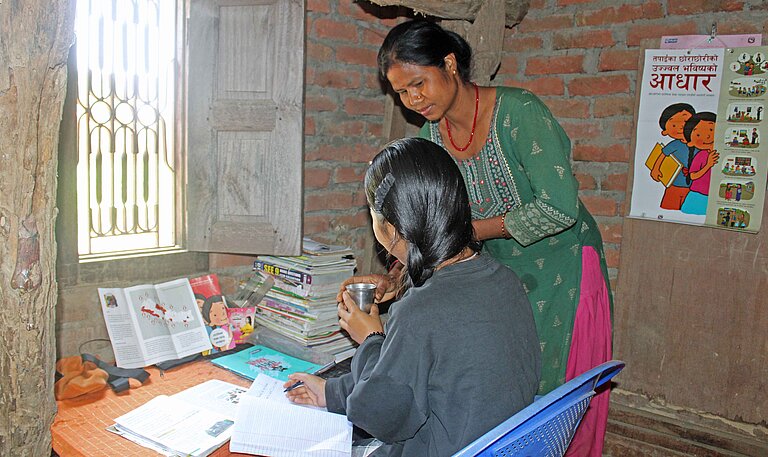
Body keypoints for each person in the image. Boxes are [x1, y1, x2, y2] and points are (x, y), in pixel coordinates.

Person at [375, 20, 613, 457]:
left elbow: (558, 208)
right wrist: (400, 272)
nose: (413, 100)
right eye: (402, 93)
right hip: (498, 275)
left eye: (418, 84)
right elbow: (430, 219)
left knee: (555, 394)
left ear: (448, 64)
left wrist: (469, 231)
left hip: (563, 273)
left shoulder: (520, 113)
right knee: (505, 389)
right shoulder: (432, 138)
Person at [284, 138, 540, 457]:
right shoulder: (504, 281)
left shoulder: (421, 309)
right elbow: (409, 378)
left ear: (390, 228)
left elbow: (382, 416)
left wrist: (370, 337)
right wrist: (330, 393)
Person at [680, 112, 718, 215]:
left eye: (711, 130)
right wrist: (708, 165)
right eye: (698, 134)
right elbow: (693, 176)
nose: (708, 136)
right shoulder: (701, 155)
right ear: (691, 142)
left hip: (716, 196)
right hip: (698, 196)